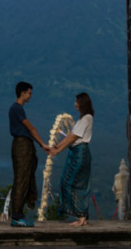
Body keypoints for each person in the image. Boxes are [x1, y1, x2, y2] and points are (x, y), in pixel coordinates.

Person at [8, 81, 50, 227]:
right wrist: (42, 144)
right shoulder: (17, 108)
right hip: (22, 146)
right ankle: (17, 216)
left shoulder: (17, 108)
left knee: (23, 178)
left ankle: (18, 214)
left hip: (22, 145)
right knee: (22, 179)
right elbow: (31, 128)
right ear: (23, 93)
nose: (31, 95)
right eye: (29, 93)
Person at [50, 92, 94, 226]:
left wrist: (57, 149)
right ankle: (82, 216)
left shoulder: (87, 118)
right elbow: (70, 137)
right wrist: (57, 147)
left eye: (77, 102)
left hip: (80, 153)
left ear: (82, 103)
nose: (75, 104)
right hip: (76, 152)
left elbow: (72, 137)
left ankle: (81, 216)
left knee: (74, 183)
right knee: (70, 182)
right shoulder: (83, 119)